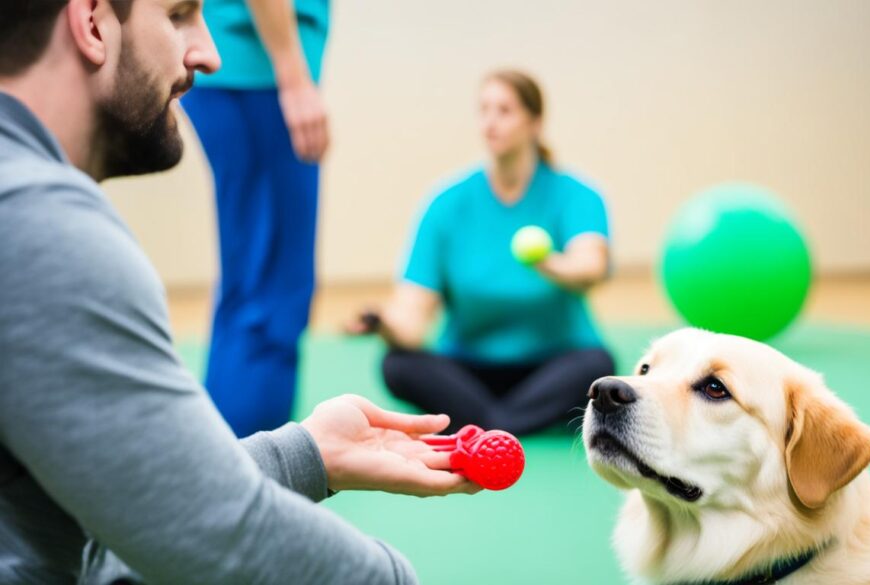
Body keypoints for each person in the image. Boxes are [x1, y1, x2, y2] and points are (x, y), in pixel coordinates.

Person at [0, 2, 476, 583]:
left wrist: (305, 455)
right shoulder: (40, 229)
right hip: (267, 85)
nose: (207, 52)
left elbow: (103, 528)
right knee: (271, 301)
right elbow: (211, 533)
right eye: (178, 14)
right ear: (94, 22)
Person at [346, 70, 616, 436]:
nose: (490, 122)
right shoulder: (446, 203)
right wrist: (382, 323)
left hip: (555, 364)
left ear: (535, 122)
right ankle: (505, 422)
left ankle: (487, 424)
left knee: (597, 365)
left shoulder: (577, 194)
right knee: (397, 364)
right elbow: (412, 320)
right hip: (468, 370)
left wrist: (546, 262)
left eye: (504, 111)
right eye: (484, 110)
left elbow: (590, 266)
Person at [180, 0, 331, 437]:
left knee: (253, 280)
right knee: (274, 289)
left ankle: (225, 455)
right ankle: (246, 467)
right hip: (257, 74)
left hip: (248, 71)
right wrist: (294, 78)